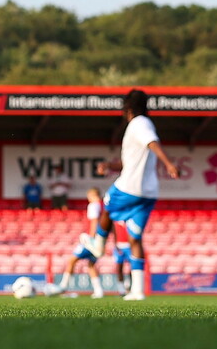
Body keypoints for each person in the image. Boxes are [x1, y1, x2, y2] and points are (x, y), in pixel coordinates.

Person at [81, 88, 179, 300]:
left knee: (106, 204)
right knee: (135, 237)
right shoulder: (144, 125)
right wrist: (109, 165)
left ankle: (98, 244)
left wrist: (169, 164)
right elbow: (129, 162)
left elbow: (153, 143)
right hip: (148, 193)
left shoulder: (139, 123)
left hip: (130, 187)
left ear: (128, 109)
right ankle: (137, 290)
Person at [45, 188, 105, 298]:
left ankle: (63, 286)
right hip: (98, 239)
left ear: (91, 195)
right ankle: (99, 290)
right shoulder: (103, 206)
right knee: (91, 265)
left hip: (90, 240)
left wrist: (91, 238)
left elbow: (94, 221)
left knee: (72, 260)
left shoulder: (93, 205)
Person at [112, 220, 132, 296]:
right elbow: (114, 232)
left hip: (129, 246)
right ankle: (121, 290)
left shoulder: (130, 219)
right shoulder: (116, 219)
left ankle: (130, 286)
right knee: (119, 268)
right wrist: (115, 243)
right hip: (119, 246)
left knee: (133, 267)